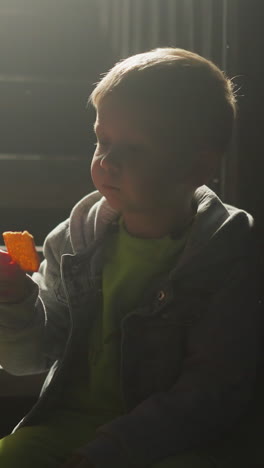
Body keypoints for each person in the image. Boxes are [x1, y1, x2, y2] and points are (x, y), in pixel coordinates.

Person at [0, 47, 262, 468]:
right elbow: (26, 359)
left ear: (197, 167)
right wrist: (14, 301)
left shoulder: (228, 254)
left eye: (134, 149)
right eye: (102, 141)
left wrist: (109, 452)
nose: (107, 161)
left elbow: (210, 394)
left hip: (176, 442)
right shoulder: (72, 243)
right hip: (68, 426)